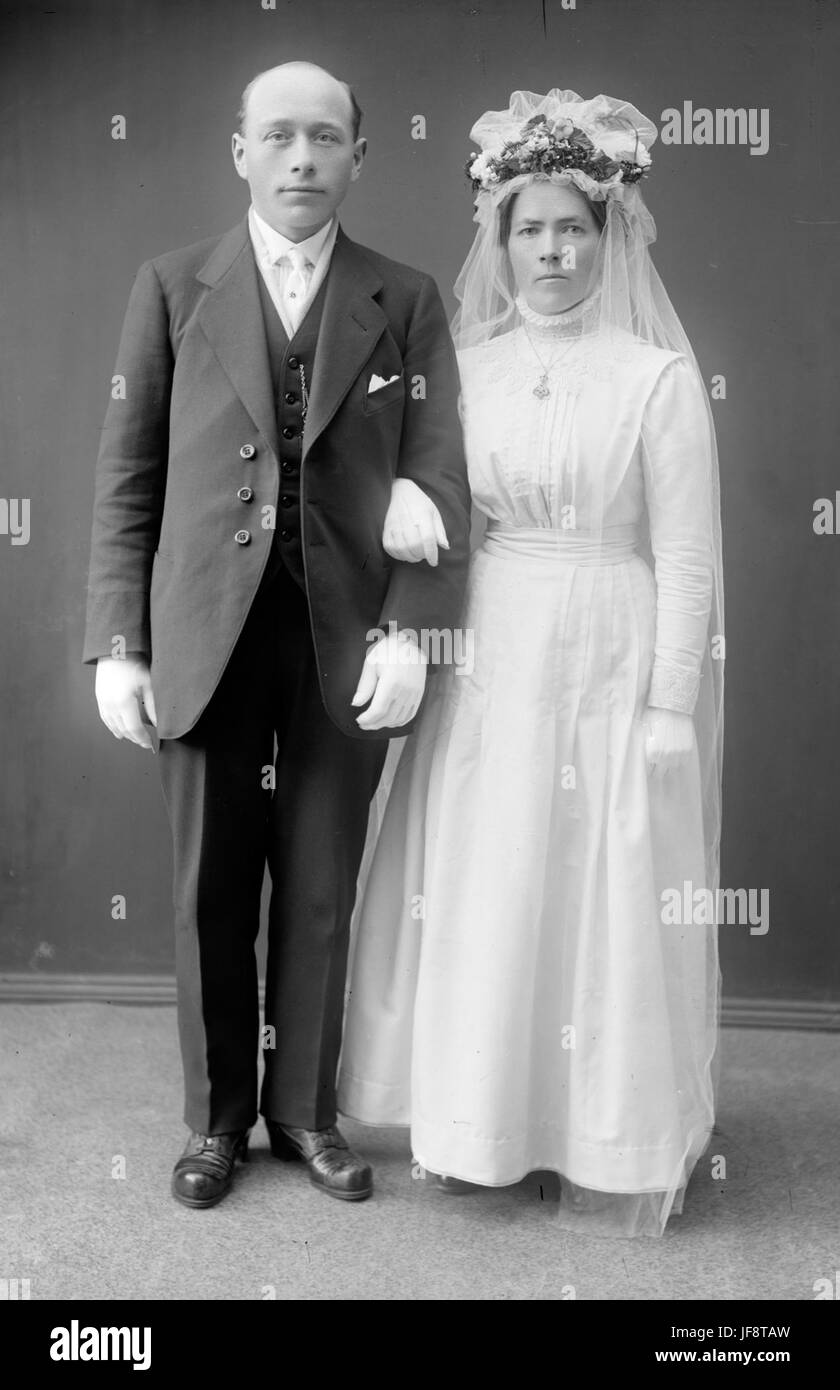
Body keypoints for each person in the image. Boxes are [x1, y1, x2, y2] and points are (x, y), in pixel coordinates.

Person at [83, 61, 471, 1209]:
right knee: (209, 886)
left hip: (342, 637)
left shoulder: (406, 297)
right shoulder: (170, 286)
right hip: (203, 633)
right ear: (239, 150)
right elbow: (128, 476)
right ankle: (215, 1122)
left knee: (318, 880)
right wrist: (118, 638)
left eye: (326, 137)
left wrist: (410, 633)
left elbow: (438, 468)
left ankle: (304, 1107)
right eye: (279, 136)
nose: (303, 158)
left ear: (361, 154)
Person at [338, 88, 725, 1238]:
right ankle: (476, 1124)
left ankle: (600, 1131)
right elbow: (431, 514)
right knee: (490, 870)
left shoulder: (653, 381)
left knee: (597, 875)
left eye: (573, 229)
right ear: (496, 243)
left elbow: (689, 555)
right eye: (529, 229)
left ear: (609, 240)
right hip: (490, 645)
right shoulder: (460, 366)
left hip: (608, 640)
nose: (551, 250)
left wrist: (669, 705)